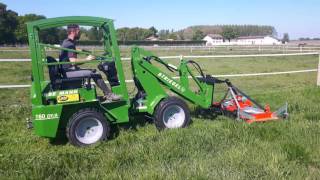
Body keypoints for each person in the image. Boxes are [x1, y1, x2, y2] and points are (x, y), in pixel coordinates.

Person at [59, 24, 121, 102]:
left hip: (68, 70)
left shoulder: (67, 42)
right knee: (94, 73)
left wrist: (86, 52)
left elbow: (75, 50)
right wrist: (87, 59)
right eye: (78, 30)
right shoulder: (69, 44)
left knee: (92, 71)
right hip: (69, 71)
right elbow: (73, 61)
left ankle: (108, 94)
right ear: (73, 31)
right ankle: (109, 95)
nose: (79, 32)